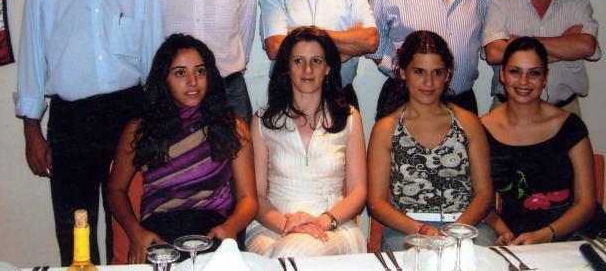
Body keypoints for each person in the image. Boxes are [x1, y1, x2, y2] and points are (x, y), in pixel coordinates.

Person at [14, 0, 164, 265]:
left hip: (129, 116)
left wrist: (157, 126)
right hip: (72, 119)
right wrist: (32, 130)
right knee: (74, 225)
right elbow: (32, 63)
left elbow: (155, 64)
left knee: (128, 225)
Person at [107, 34, 257, 263]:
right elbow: (115, 190)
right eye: (180, 73)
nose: (193, 81)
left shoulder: (231, 126)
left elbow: (248, 199)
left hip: (213, 232)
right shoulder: (141, 129)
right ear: (163, 79)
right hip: (160, 235)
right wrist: (136, 232)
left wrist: (231, 227)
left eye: (200, 71)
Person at [480, 37, 606, 245]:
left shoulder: (570, 126)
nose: (524, 81)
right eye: (515, 71)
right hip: (519, 234)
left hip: (579, 234)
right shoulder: (482, 129)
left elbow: (586, 204)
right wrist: (502, 230)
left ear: (545, 78)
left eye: (534, 73)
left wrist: (546, 234)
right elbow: (481, 201)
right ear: (502, 75)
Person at [246, 26, 367, 257]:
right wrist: (288, 226)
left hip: (333, 227)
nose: (307, 69)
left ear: (328, 67)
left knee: (288, 254)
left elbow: (358, 192)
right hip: (271, 226)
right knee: (284, 253)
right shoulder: (263, 120)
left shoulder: (349, 118)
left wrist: (321, 221)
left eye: (316, 61)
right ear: (287, 67)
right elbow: (257, 196)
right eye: (298, 61)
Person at [367, 31, 495, 250]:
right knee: (418, 261)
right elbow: (376, 203)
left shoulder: (468, 123)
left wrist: (454, 231)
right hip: (408, 229)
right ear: (403, 72)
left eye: (438, 72)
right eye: (419, 71)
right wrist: (422, 229)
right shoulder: (386, 129)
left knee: (475, 262)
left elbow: (484, 195)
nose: (429, 82)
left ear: (448, 75)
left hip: (465, 225)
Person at [483, 0, 600, 116]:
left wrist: (517, 43)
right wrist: (564, 45)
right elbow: (494, 53)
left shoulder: (577, 3)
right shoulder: (500, 3)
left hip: (564, 111)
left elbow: (586, 46)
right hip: (508, 112)